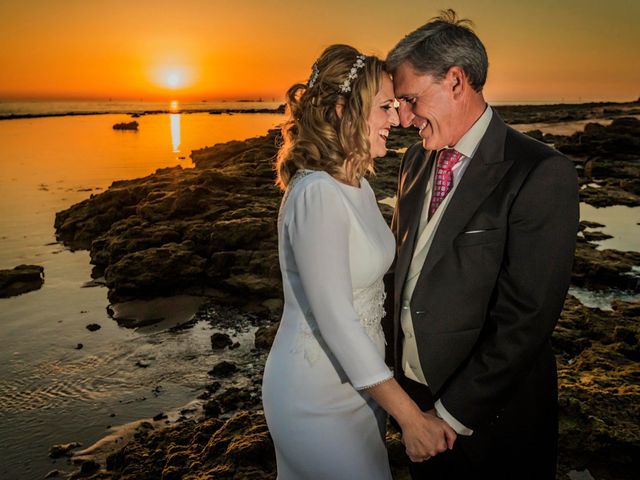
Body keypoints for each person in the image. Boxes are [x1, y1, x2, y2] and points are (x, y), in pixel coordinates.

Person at [385, 10, 579, 479]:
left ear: (456, 81)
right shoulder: (415, 160)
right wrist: (405, 405)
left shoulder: (539, 171)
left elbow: (528, 316)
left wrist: (448, 417)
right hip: (416, 407)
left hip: (494, 420)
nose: (405, 118)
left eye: (410, 99)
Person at [262, 44, 456, 479]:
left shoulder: (359, 187)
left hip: (364, 389)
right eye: (385, 107)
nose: (396, 119)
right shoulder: (316, 194)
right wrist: (411, 417)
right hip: (315, 395)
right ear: (340, 110)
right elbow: (336, 320)